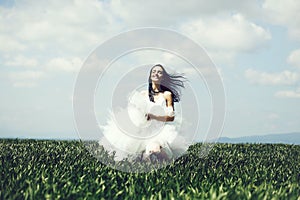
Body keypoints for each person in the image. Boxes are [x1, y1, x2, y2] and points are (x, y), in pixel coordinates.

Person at [99, 64, 188, 163]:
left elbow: (170, 118)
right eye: (153, 72)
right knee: (141, 156)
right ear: (150, 76)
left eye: (159, 72)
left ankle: (160, 160)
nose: (156, 73)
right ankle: (145, 157)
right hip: (143, 131)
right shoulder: (142, 94)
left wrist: (154, 117)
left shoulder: (167, 95)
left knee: (156, 150)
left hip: (160, 130)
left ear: (163, 77)